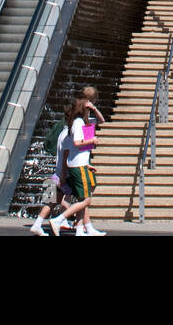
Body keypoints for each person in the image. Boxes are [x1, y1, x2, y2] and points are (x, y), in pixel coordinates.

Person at [50, 88, 106, 236]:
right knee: (85, 200)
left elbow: (101, 120)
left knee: (86, 195)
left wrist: (93, 108)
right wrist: (92, 140)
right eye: (90, 105)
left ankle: (81, 229)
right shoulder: (78, 122)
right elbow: (76, 143)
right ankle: (59, 219)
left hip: (81, 164)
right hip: (76, 166)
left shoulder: (85, 123)